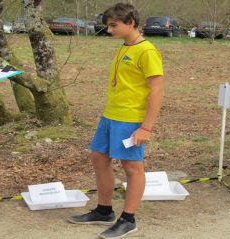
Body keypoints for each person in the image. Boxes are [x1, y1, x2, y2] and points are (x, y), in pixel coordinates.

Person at [68, 3, 164, 239]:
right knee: (98, 158)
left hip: (131, 119)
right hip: (111, 115)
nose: (109, 30)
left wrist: (146, 127)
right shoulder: (125, 46)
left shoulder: (147, 51)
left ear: (130, 22)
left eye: (114, 25)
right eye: (108, 26)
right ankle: (103, 210)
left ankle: (128, 219)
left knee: (132, 166)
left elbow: (157, 91)